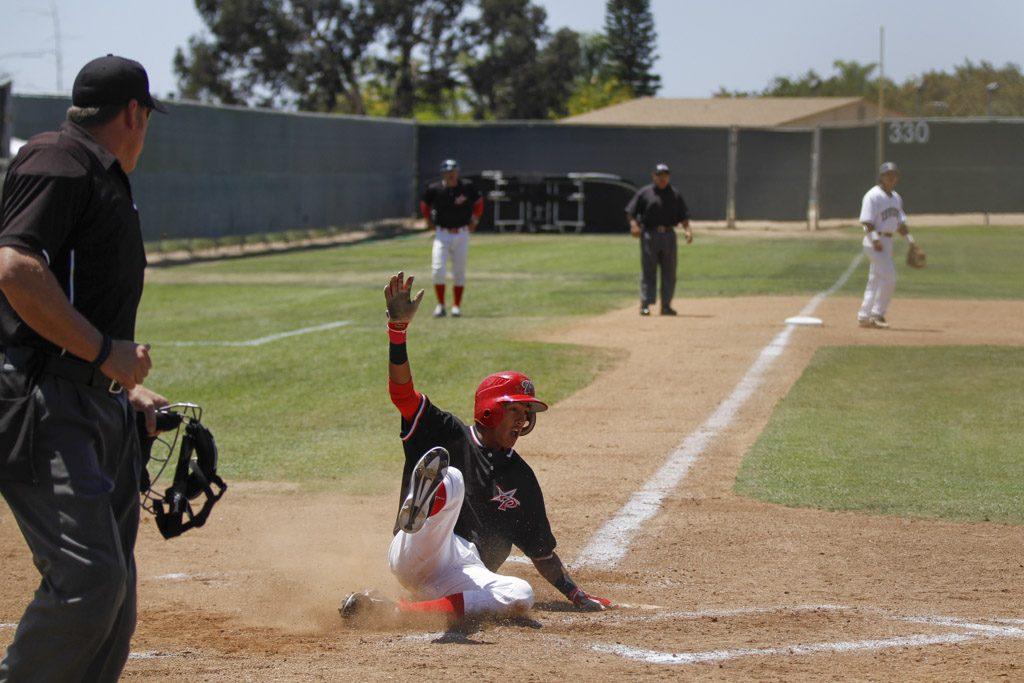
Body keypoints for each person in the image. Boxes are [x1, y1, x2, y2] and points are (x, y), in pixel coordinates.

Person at [0, 55, 169, 681]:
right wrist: (105, 354)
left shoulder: (102, 177)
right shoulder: (58, 159)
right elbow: (16, 269)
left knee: (113, 595)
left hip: (90, 400)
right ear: (133, 112)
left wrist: (124, 385)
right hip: (44, 403)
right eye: (148, 116)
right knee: (88, 582)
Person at [340, 272, 612, 624]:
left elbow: (542, 554)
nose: (522, 420)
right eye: (515, 409)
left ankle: (393, 611)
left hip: (460, 574)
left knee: (520, 595)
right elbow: (402, 395)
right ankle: (421, 504)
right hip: (417, 547)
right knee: (450, 475)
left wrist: (576, 593)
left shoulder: (521, 477)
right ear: (489, 410)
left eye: (526, 413)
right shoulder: (445, 431)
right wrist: (398, 332)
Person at [625, 163, 693, 316]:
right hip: (650, 234)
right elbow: (630, 211)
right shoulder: (645, 193)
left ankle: (666, 305)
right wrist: (633, 225)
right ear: (654, 176)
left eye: (665, 175)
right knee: (648, 270)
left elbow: (683, 215)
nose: (663, 178)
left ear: (668, 176)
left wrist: (688, 231)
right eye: (659, 175)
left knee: (670, 271)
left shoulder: (675, 194)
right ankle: (645, 304)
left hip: (669, 235)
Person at [857, 162, 917, 329]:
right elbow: (866, 221)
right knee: (889, 277)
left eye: (894, 175)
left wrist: (911, 242)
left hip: (887, 242)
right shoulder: (872, 196)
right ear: (881, 177)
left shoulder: (896, 198)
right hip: (874, 242)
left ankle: (864, 316)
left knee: (875, 280)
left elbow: (900, 224)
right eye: (887, 175)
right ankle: (877, 314)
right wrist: (875, 239)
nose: (891, 178)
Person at [420, 159, 483, 318]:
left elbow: (479, 203)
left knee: (459, 271)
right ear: (443, 174)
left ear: (458, 173)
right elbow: (424, 204)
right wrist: (428, 220)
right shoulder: (435, 189)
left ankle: (456, 306)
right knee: (438, 269)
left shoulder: (466, 187)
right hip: (442, 233)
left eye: (454, 172)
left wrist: (475, 220)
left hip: (461, 233)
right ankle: (440, 305)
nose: (451, 175)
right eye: (448, 173)